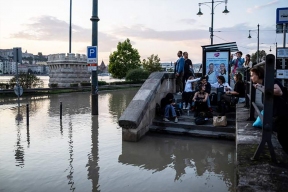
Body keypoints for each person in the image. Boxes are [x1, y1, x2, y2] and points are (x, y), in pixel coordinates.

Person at [250, 66, 288, 154]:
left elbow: (279, 92)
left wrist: (262, 88)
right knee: (281, 136)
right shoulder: (264, 83)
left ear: (258, 74)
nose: (251, 78)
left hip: (283, 113)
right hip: (278, 114)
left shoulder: (270, 81)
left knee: (283, 137)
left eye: (252, 75)